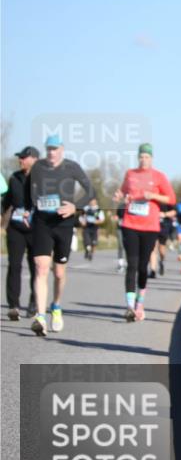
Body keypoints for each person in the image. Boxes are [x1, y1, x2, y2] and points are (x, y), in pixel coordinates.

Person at [24, 135, 96, 336]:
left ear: (62, 149)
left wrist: (76, 206)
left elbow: (90, 191)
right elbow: (29, 190)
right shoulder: (38, 167)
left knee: (58, 273)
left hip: (64, 223)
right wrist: (29, 209)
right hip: (42, 223)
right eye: (48, 149)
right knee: (41, 268)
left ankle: (56, 306)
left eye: (55, 149)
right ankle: (40, 316)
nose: (51, 153)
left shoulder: (71, 167)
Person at [113, 143, 176, 322]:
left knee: (142, 266)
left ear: (152, 158)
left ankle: (140, 303)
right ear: (138, 157)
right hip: (130, 223)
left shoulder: (158, 176)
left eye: (147, 157)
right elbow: (122, 192)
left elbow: (171, 199)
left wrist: (153, 196)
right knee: (131, 264)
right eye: (141, 156)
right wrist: (118, 196)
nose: (143, 159)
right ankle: (130, 307)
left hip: (150, 227)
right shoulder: (130, 174)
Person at [3, 146, 39, 321]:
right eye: (20, 157)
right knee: (14, 265)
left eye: (24, 157)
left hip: (36, 230)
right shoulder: (15, 178)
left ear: (34, 159)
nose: (21, 160)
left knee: (36, 268)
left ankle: (34, 301)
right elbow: (7, 200)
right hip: (16, 228)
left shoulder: (43, 179)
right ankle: (13, 306)